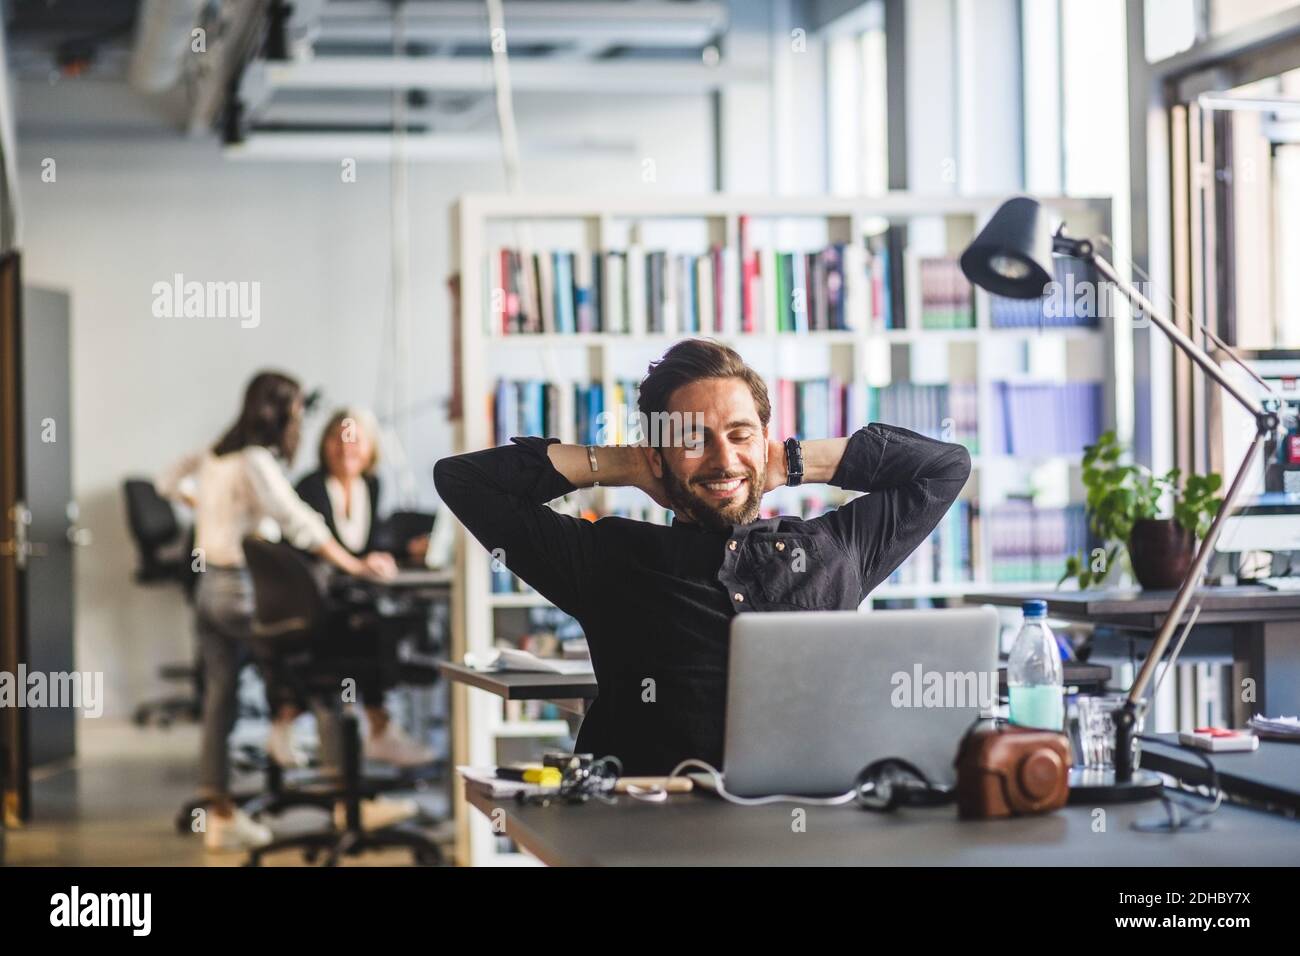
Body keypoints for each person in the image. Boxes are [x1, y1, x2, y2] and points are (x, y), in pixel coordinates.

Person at [434, 338, 971, 775]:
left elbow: (945, 467)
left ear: (765, 441)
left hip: (804, 827)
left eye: (740, 435)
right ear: (659, 455)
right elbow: (464, 480)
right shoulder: (608, 559)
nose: (723, 459)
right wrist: (623, 464)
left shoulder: (835, 549)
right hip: (650, 835)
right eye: (694, 440)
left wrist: (790, 460)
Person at [158, 372, 397, 852]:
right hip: (240, 590)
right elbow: (298, 520)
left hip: (208, 589)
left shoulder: (215, 453)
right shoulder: (254, 460)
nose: (299, 424)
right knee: (327, 655)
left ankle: (221, 813)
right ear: (279, 414)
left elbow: (167, 481)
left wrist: (208, 506)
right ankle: (338, 794)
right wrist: (354, 563)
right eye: (296, 415)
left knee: (219, 700)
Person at [292, 407, 435, 767]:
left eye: (355, 440)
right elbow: (320, 548)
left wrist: (400, 551)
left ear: (371, 450)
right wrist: (359, 566)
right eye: (337, 439)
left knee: (383, 622)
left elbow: (365, 545)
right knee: (374, 630)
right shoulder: (310, 487)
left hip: (353, 598)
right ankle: (377, 727)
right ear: (324, 445)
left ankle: (371, 728)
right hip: (318, 602)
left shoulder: (371, 486)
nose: (346, 448)